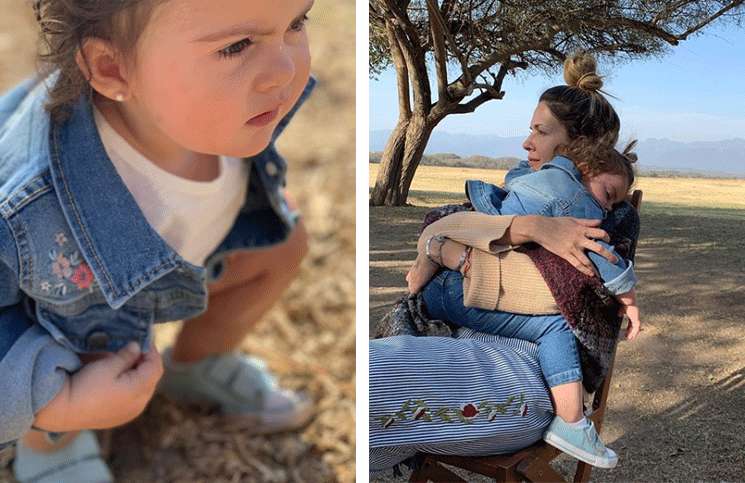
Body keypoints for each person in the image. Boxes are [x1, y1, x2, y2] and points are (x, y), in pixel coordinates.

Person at [0, 0, 316, 481]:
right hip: (67, 314)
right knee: (77, 326)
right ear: (112, 69)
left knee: (281, 243)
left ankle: (194, 363)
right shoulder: (32, 208)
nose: (284, 70)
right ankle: (48, 445)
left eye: (296, 22)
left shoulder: (215, 110)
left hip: (177, 269)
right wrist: (54, 401)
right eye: (236, 46)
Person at [370, 52, 642, 474]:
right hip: (454, 343)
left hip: (528, 373)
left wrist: (451, 250)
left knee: (365, 386)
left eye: (540, 131)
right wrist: (527, 227)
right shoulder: (528, 198)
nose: (526, 143)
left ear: (576, 151)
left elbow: (553, 294)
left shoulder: (606, 218)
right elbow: (439, 224)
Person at [406, 142, 640, 469]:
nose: (607, 209)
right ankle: (572, 422)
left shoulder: (528, 178)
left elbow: (461, 215)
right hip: (456, 292)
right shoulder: (579, 203)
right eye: (608, 195)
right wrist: (630, 300)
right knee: (556, 323)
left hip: (451, 293)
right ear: (583, 170)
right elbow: (605, 258)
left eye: (540, 132)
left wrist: (441, 251)